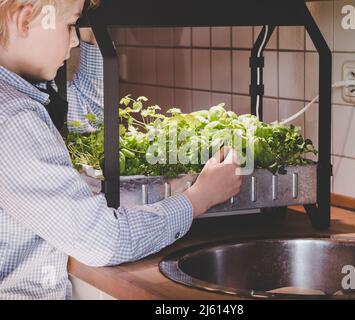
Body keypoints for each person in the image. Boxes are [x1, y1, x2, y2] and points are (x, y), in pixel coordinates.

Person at [0, 0, 242, 299]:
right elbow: (101, 241)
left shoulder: (13, 98)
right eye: (69, 25)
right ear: (26, 20)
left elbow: (87, 114)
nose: (74, 40)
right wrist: (197, 199)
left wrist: (91, 28)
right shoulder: (12, 119)